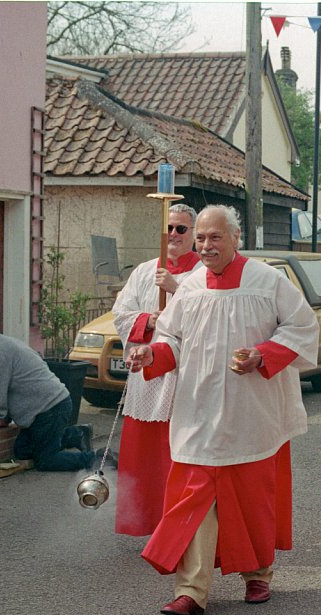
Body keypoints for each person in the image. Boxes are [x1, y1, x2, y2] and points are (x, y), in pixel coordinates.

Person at [127, 205, 319, 615]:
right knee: (193, 498)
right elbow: (173, 340)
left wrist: (262, 355)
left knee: (251, 497)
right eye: (200, 238)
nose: (206, 246)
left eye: (215, 237)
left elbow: (303, 327)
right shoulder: (190, 287)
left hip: (250, 411)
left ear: (235, 237)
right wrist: (149, 354)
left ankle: (257, 574)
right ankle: (191, 590)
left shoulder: (267, 282)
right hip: (197, 408)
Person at [110, 203, 201, 537]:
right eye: (169, 229)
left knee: (176, 455)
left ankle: (180, 527)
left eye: (181, 229)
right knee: (146, 459)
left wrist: (176, 288)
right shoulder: (145, 270)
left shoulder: (202, 272)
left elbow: (207, 315)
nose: (173, 235)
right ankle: (146, 521)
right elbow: (120, 313)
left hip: (181, 374)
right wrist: (149, 319)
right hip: (146, 380)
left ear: (193, 233)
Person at [0, 318, 95, 471]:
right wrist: (3, 418)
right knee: (22, 450)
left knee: (46, 460)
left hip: (49, 409)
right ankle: (77, 434)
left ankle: (98, 459)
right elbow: (10, 390)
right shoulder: (5, 344)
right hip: (50, 406)